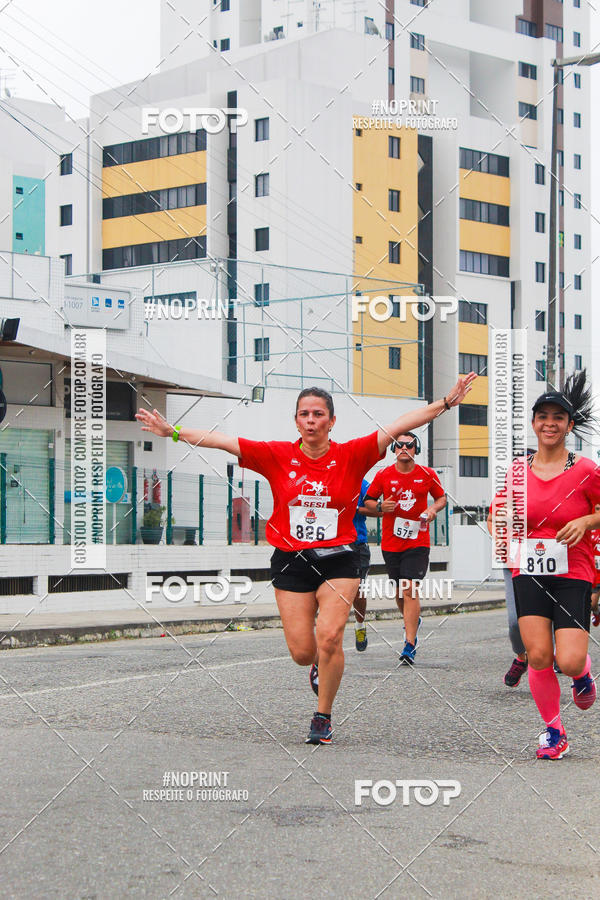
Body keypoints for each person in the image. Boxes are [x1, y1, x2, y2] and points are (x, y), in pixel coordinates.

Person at [136, 375, 476, 745]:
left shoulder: (354, 454)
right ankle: (316, 664)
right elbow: (221, 441)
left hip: (340, 557)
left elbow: (400, 424)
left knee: (330, 636)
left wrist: (445, 402)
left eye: (318, 414)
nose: (311, 420)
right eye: (304, 414)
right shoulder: (276, 454)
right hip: (291, 559)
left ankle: (323, 715)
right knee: (302, 651)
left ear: (332, 421)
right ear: (296, 421)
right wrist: (173, 432)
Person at [504, 372, 600, 760]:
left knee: (569, 658)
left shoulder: (586, 470)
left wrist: (586, 521)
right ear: (533, 423)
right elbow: (501, 512)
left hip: (572, 570)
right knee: (539, 655)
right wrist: (500, 522)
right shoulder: (515, 471)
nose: (549, 423)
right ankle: (554, 731)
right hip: (527, 569)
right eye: (542, 416)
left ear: (568, 425)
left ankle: (581, 673)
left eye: (557, 418)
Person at [364, 432, 447, 664]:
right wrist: (381, 506)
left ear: (415, 449)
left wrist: (432, 511)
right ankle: (412, 619)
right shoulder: (383, 475)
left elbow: (442, 498)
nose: (403, 448)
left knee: (410, 589)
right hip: (392, 542)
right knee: (400, 593)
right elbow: (368, 502)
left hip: (417, 541)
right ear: (394, 449)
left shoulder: (427, 475)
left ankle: (409, 644)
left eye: (409, 445)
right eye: (399, 445)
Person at [486, 503, 528, 687]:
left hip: (542, 565)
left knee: (544, 618)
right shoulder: (505, 494)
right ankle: (521, 657)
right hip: (511, 563)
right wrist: (498, 536)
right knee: (514, 622)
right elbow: (490, 519)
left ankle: (551, 658)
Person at [350, 478, 383, 652]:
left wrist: (355, 509)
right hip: (330, 545)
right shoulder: (326, 477)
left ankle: (359, 624)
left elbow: (380, 511)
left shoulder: (362, 484)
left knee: (358, 593)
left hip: (357, 545)